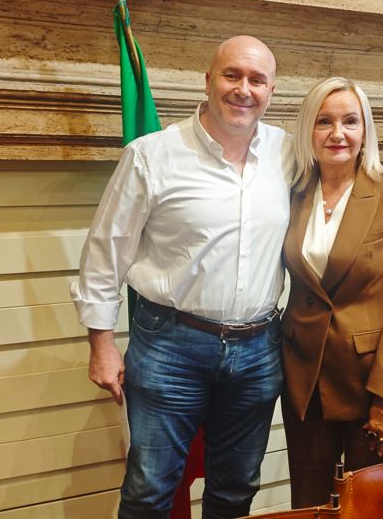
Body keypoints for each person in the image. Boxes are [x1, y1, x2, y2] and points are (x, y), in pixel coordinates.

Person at [71, 35, 293, 519]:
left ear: (271, 91)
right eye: (232, 75)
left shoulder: (289, 154)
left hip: (258, 349)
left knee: (236, 488)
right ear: (208, 80)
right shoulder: (151, 155)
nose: (244, 89)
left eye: (257, 80)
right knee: (150, 491)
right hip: (170, 345)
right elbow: (105, 252)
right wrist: (101, 343)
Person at [280, 77, 383, 507]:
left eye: (350, 121)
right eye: (324, 122)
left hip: (376, 382)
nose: (337, 133)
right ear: (308, 131)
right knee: (311, 506)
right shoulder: (293, 192)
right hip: (306, 383)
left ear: (365, 130)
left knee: (373, 507)